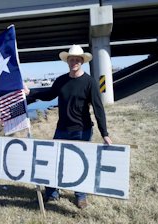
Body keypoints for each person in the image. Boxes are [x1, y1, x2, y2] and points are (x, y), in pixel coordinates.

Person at [27, 44, 112, 209]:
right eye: (71, 59)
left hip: (82, 131)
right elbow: (48, 95)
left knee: (79, 164)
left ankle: (80, 196)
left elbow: (98, 108)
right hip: (62, 129)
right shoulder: (61, 81)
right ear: (68, 61)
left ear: (82, 61)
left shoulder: (90, 82)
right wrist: (31, 94)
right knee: (53, 161)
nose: (74, 62)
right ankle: (52, 194)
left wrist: (105, 133)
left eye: (77, 60)